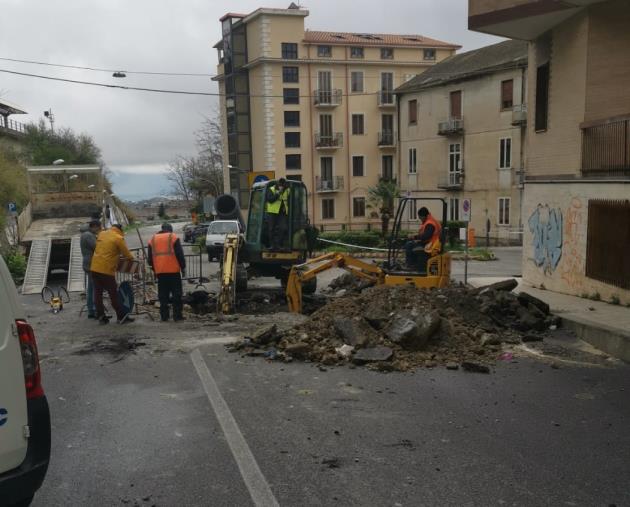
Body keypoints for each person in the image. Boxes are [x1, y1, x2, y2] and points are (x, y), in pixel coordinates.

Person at [90, 224, 135, 324]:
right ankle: (121, 317)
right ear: (120, 230)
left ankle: (101, 317)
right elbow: (127, 254)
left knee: (98, 293)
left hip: (94, 268)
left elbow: (105, 249)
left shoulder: (102, 234)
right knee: (113, 294)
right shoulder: (118, 238)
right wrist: (133, 260)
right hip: (106, 270)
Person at [147, 223, 186, 322]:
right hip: (173, 272)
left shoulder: (153, 239)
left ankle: (164, 317)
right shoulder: (172, 237)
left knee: (163, 295)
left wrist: (155, 270)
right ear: (170, 230)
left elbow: (150, 259)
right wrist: (183, 267)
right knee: (177, 294)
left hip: (160, 273)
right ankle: (177, 316)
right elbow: (179, 254)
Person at [405, 207, 442, 273]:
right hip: (431, 243)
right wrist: (417, 238)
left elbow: (426, 236)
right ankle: (413, 265)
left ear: (423, 216)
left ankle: (410, 266)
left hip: (430, 246)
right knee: (412, 244)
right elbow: (426, 235)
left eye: (420, 218)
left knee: (409, 245)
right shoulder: (431, 221)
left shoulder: (430, 223)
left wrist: (414, 237)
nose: (420, 219)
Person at [79, 219, 101, 318]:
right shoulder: (88, 235)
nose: (99, 230)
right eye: (98, 228)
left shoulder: (85, 234)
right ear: (94, 226)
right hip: (91, 264)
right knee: (94, 288)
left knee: (91, 288)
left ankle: (91, 310)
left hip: (89, 263)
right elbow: (97, 247)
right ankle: (94, 310)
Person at [265, 178, 290, 250]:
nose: (281, 187)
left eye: (283, 186)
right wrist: (278, 193)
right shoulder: (271, 189)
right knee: (271, 229)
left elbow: (289, 198)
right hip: (272, 212)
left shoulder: (287, 190)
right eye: (280, 185)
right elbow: (270, 200)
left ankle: (279, 244)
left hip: (282, 213)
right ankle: (272, 245)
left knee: (283, 228)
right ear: (277, 185)